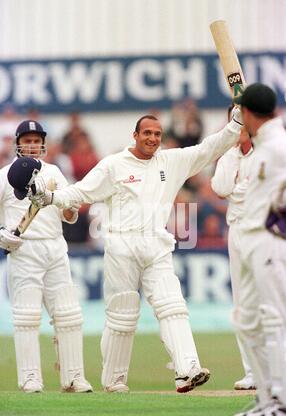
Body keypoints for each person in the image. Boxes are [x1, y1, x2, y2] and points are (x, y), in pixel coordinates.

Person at [28, 110, 243, 394]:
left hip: (157, 244)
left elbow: (209, 148)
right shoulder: (114, 165)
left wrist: (236, 124)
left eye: (157, 134)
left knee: (173, 306)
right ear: (135, 135)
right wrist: (51, 198)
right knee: (122, 316)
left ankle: (187, 369)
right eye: (147, 133)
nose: (152, 138)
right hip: (121, 246)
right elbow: (81, 192)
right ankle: (113, 380)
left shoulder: (171, 161)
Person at [0, 120, 92, 393]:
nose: (32, 145)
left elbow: (69, 211)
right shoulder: (4, 175)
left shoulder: (55, 173)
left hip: (55, 248)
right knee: (27, 317)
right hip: (24, 250)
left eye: (36, 140)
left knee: (69, 315)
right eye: (26, 140)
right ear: (18, 143)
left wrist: (69, 209)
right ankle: (30, 379)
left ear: (43, 143)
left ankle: (73, 377)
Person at [228, 83, 286, 416]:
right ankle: (267, 399)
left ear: (247, 113)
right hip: (248, 240)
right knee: (247, 321)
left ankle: (281, 397)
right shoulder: (265, 145)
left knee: (275, 317)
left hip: (268, 240)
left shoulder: (279, 144)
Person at [211, 116, 256, 390]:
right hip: (237, 230)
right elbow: (220, 188)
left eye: (241, 121)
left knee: (272, 302)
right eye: (233, 122)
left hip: (266, 230)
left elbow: (263, 192)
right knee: (242, 304)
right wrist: (232, 151)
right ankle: (252, 372)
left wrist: (239, 191)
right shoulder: (229, 155)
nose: (237, 128)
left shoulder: (269, 151)